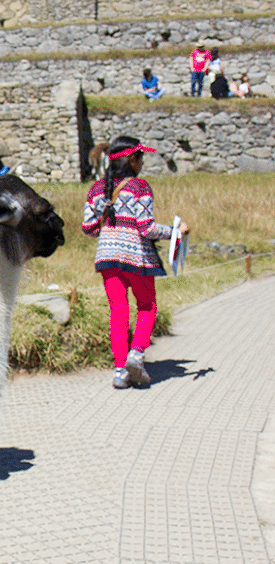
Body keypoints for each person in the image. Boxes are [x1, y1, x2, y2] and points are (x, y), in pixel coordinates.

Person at [83, 134, 186, 390]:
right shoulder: (140, 187)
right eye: (141, 157)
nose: (142, 163)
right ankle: (136, 356)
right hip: (136, 257)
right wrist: (175, 232)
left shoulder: (96, 189)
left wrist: (109, 231)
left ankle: (120, 371)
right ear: (132, 160)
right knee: (147, 306)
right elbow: (147, 227)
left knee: (118, 312)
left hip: (107, 258)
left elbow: (88, 227)